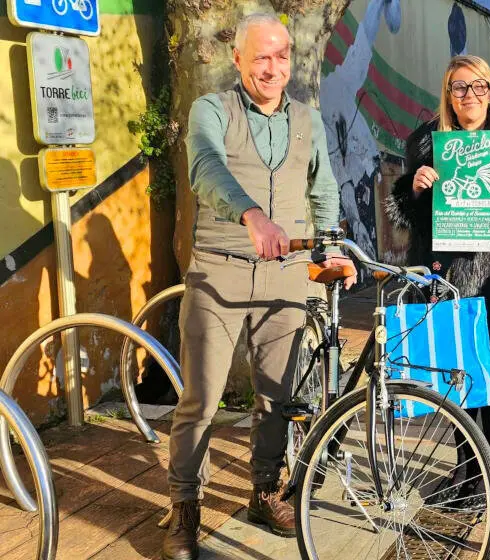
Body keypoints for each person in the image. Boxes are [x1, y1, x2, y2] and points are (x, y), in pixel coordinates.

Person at [163, 13, 356, 560]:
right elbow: (204, 165)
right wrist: (251, 214)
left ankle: (263, 491)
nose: (274, 68)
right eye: (262, 57)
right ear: (239, 59)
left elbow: (323, 190)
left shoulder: (307, 119)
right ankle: (184, 508)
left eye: (282, 56)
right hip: (218, 273)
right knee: (201, 397)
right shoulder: (212, 110)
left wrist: (333, 246)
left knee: (277, 399)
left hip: (286, 279)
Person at [386, 55, 490, 491]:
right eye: (459, 88)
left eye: (478, 87)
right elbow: (410, 219)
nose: (469, 96)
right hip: (444, 274)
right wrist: (414, 190)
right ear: (448, 96)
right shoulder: (427, 143)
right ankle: (465, 471)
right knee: (456, 377)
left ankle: (488, 478)